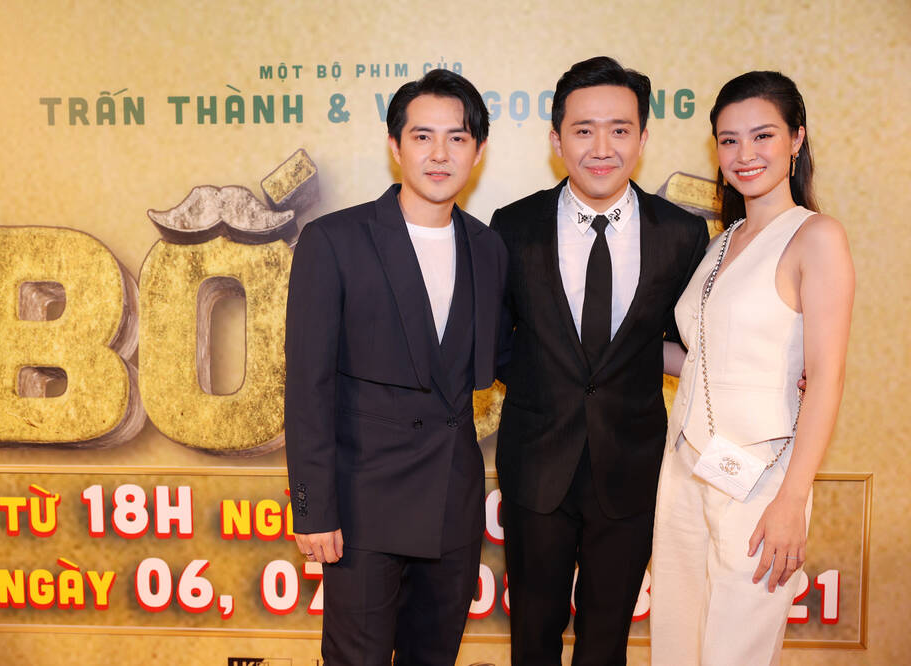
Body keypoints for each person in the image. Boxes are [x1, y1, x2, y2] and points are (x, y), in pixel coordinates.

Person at [490, 56, 710, 665]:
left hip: (632, 465)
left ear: (643, 138)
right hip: (537, 462)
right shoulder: (513, 226)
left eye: (619, 129)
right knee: (532, 635)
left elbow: (690, 344)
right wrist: (540, 386)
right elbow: (496, 339)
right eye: (584, 130)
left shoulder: (680, 233)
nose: (602, 147)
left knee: (606, 639)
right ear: (556, 139)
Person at [284, 69, 508, 665]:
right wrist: (312, 508)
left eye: (457, 138)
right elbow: (307, 387)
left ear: (478, 151)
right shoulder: (334, 240)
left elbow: (506, 356)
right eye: (422, 136)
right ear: (395, 145)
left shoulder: (488, 248)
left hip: (452, 503)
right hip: (362, 506)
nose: (440, 154)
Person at [650, 71, 854, 665]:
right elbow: (702, 360)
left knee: (734, 652)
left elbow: (826, 378)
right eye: (729, 139)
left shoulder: (817, 237)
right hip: (685, 470)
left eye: (762, 135)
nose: (745, 154)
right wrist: (605, 345)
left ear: (796, 139)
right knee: (677, 646)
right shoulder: (723, 240)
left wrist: (792, 499)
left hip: (762, 483)